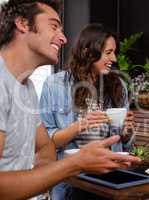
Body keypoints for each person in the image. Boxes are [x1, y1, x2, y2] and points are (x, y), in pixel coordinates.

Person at [0, 1, 140, 200]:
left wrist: (42, 181)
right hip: (72, 185)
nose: (64, 38)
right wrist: (74, 163)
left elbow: (45, 146)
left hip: (107, 179)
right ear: (23, 24)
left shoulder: (26, 87)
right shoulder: (49, 84)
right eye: (54, 26)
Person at [39, 23, 136, 199]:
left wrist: (127, 131)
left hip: (110, 176)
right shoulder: (55, 85)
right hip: (72, 178)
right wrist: (81, 125)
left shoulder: (118, 86)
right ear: (87, 52)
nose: (113, 58)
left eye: (114, 52)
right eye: (108, 52)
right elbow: (47, 143)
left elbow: (124, 143)